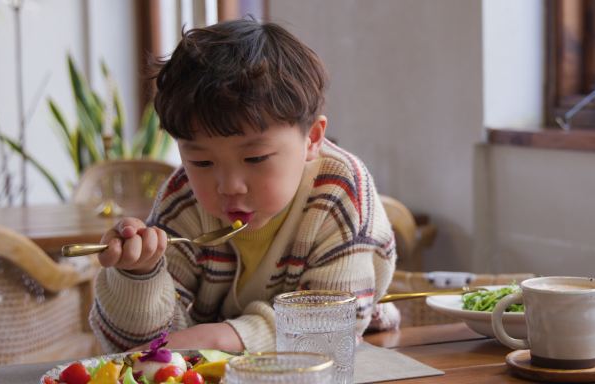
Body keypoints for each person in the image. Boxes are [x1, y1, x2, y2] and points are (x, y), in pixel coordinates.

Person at [89, 18, 398, 354]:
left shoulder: (339, 193)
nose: (229, 186)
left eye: (256, 159)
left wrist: (226, 337)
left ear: (311, 138)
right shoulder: (184, 202)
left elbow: (330, 329)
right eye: (202, 163)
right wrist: (140, 276)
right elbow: (140, 349)